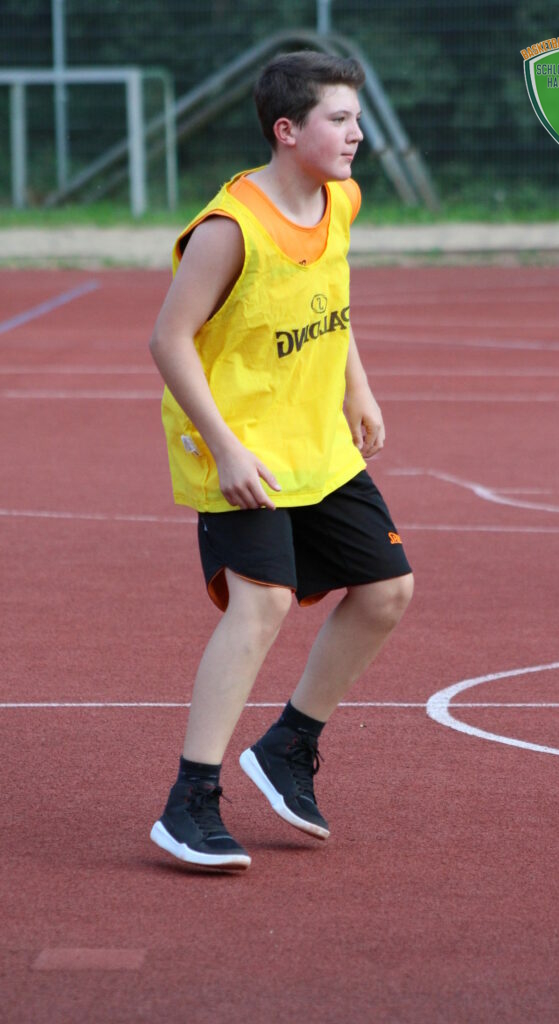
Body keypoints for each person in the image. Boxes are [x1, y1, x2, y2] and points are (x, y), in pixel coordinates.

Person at [148, 50, 413, 871]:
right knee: (259, 607)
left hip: (315, 439)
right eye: (339, 119)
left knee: (386, 591)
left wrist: (356, 388)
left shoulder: (340, 199)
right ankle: (189, 801)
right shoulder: (230, 229)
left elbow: (330, 299)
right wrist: (225, 447)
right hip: (239, 445)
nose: (357, 134)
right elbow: (168, 340)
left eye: (357, 118)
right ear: (287, 129)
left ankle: (289, 745)